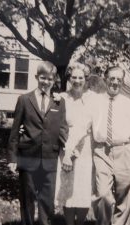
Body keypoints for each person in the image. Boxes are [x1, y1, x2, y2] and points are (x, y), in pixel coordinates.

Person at [7, 61, 68, 225]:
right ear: (36, 77)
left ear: (54, 80)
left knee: (47, 200)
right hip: (27, 157)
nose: (46, 82)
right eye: (43, 78)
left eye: (49, 79)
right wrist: (12, 158)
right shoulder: (24, 99)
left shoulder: (59, 102)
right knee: (27, 198)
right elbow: (14, 132)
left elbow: (63, 129)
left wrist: (67, 152)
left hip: (50, 158)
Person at [92, 66, 130, 225]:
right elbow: (74, 97)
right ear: (105, 79)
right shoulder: (94, 100)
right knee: (102, 194)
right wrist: (60, 96)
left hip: (126, 151)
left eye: (119, 80)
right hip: (102, 151)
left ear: (122, 83)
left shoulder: (129, 104)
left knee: (125, 198)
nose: (115, 82)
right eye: (112, 78)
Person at [54, 65, 98, 225]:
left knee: (82, 187)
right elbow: (54, 123)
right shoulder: (61, 98)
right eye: (74, 77)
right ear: (69, 78)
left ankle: (79, 223)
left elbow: (84, 126)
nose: (77, 81)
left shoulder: (93, 99)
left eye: (81, 77)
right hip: (65, 145)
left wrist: (69, 152)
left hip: (83, 147)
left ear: (86, 79)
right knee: (67, 188)